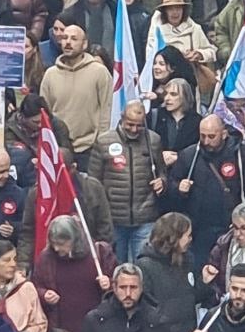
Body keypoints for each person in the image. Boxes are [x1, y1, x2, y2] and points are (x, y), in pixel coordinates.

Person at [167, 114, 245, 270]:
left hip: (231, 228)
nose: (206, 141)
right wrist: (178, 189)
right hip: (199, 231)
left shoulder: (240, 154)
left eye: (211, 136)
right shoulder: (190, 155)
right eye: (202, 136)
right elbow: (171, 188)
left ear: (223, 134)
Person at [89, 99, 166, 262]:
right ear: (122, 118)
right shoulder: (104, 142)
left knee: (142, 266)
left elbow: (162, 172)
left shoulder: (153, 140)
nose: (134, 129)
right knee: (117, 267)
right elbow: (93, 182)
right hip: (114, 218)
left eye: (139, 125)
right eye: (130, 124)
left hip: (145, 216)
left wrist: (162, 182)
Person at [30, 214, 115, 332]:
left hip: (96, 328)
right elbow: (34, 287)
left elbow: (120, 285)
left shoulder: (99, 252)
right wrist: (44, 294)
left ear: (75, 239)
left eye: (61, 243)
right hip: (61, 329)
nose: (57, 248)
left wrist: (109, 283)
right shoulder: (46, 258)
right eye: (53, 243)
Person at [40, 23, 113, 165]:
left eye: (74, 39)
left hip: (90, 148)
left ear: (84, 44)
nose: (68, 42)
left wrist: (101, 141)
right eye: (65, 38)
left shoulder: (99, 72)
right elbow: (45, 113)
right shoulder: (50, 74)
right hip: (58, 146)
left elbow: (107, 110)